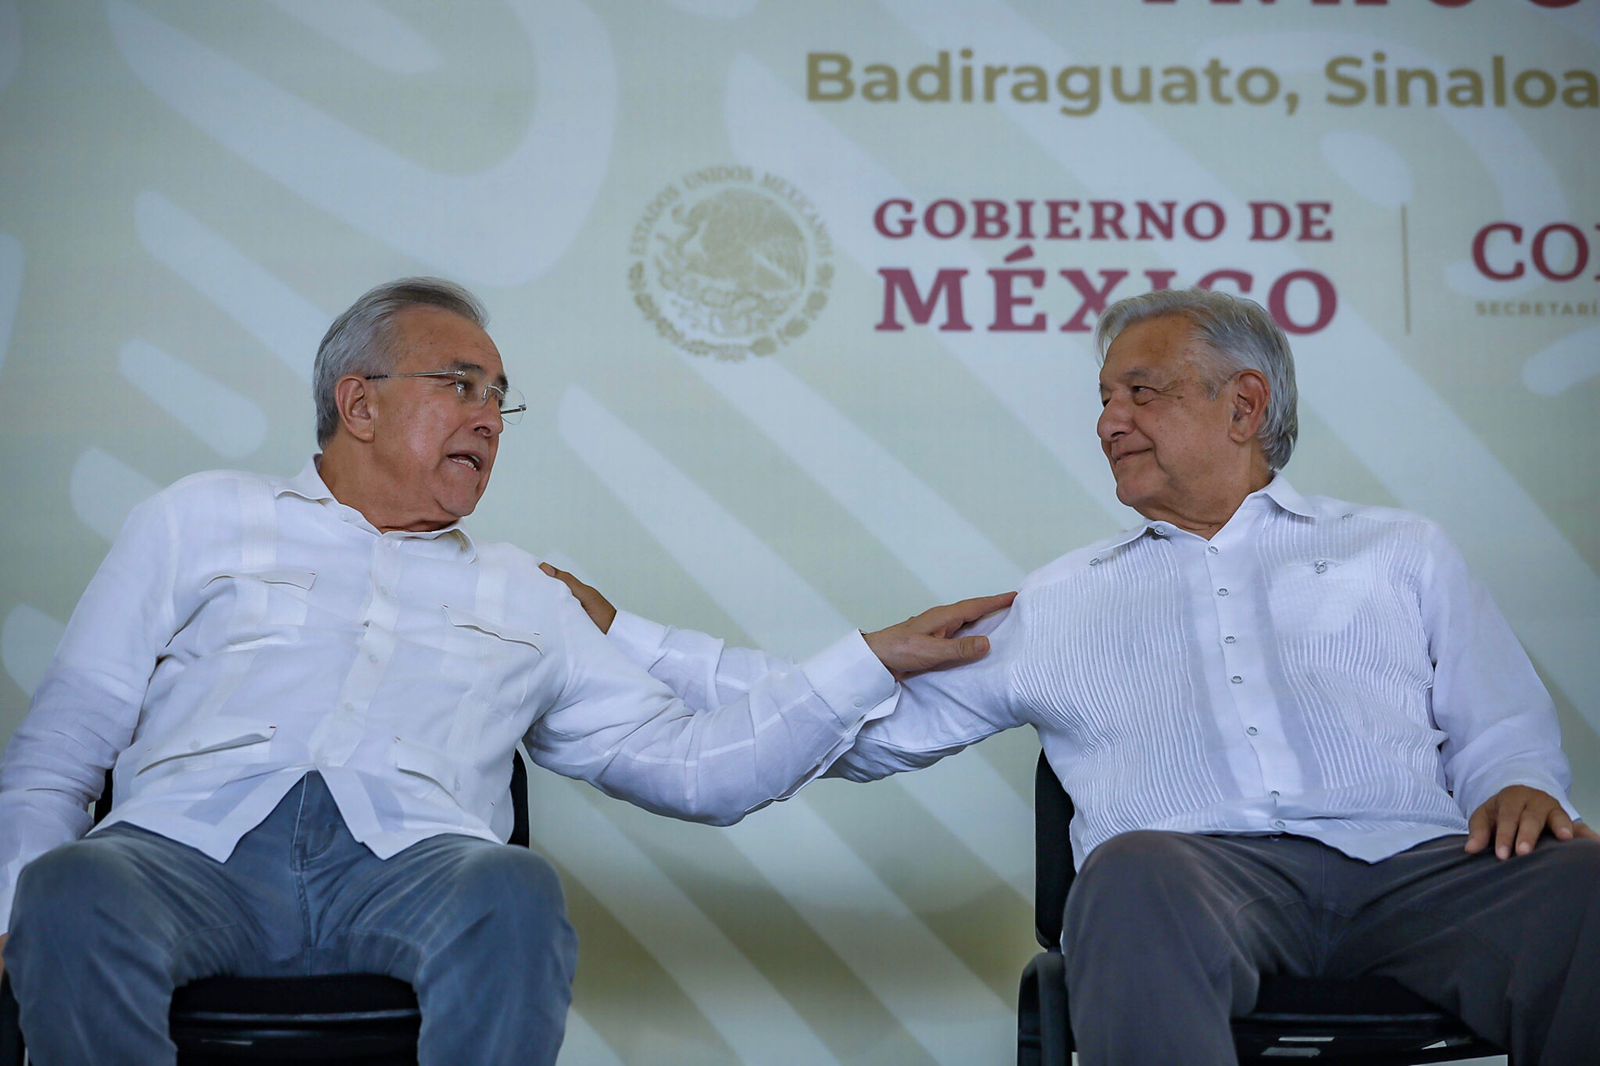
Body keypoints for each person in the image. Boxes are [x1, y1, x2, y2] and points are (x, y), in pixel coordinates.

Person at [551, 288, 1600, 1064]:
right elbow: (842, 724)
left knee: (1581, 881)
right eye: (1104, 398)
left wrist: (1519, 783)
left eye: (1141, 392)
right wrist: (627, 637)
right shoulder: (1062, 600)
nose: (1107, 421)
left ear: (1244, 405)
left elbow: (1500, 726)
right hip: (1198, 889)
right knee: (1129, 872)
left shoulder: (1398, 550)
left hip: (1412, 873)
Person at [0, 277, 1011, 1065]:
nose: (488, 417)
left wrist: (865, 661)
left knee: (513, 889)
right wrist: (10, 903)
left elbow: (697, 766)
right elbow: (65, 741)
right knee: (68, 887)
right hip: (186, 856)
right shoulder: (196, 518)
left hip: (408, 870)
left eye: (499, 400)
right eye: (460, 385)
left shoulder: (528, 593)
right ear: (358, 403)